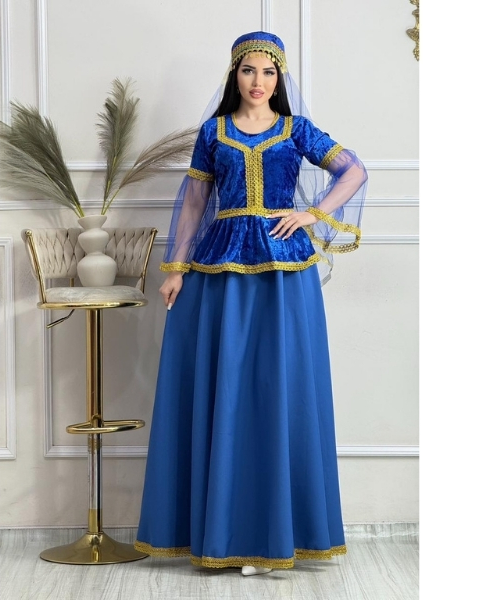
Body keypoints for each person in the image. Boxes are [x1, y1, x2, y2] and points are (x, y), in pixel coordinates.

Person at [134, 31, 368, 576]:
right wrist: (175, 268)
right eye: (248, 70)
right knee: (227, 388)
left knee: (280, 386)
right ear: (234, 75)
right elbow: (195, 201)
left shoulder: (295, 129)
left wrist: (311, 214)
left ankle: (277, 535)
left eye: (268, 72)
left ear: (279, 78)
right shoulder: (213, 132)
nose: (258, 81)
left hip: (285, 269)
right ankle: (224, 534)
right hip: (220, 266)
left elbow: (353, 170)